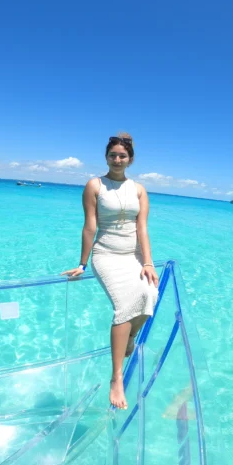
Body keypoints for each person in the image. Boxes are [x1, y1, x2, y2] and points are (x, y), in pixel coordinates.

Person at [61, 133, 159, 410]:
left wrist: (149, 262)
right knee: (125, 304)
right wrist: (82, 262)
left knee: (150, 293)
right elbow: (89, 226)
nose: (117, 159)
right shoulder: (95, 185)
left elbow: (142, 229)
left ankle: (129, 338)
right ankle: (116, 377)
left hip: (133, 254)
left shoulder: (139, 189)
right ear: (106, 157)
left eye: (122, 156)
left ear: (130, 159)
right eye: (113, 155)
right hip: (106, 254)